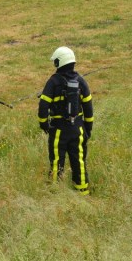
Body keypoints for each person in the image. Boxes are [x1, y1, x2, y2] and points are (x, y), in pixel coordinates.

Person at [38, 46, 94, 194]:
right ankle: (83, 192)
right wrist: (87, 129)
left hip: (58, 131)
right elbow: (88, 107)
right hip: (78, 130)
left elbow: (43, 105)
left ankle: (55, 193)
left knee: (57, 162)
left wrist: (44, 124)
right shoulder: (81, 81)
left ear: (59, 62)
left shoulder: (53, 81)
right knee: (79, 162)